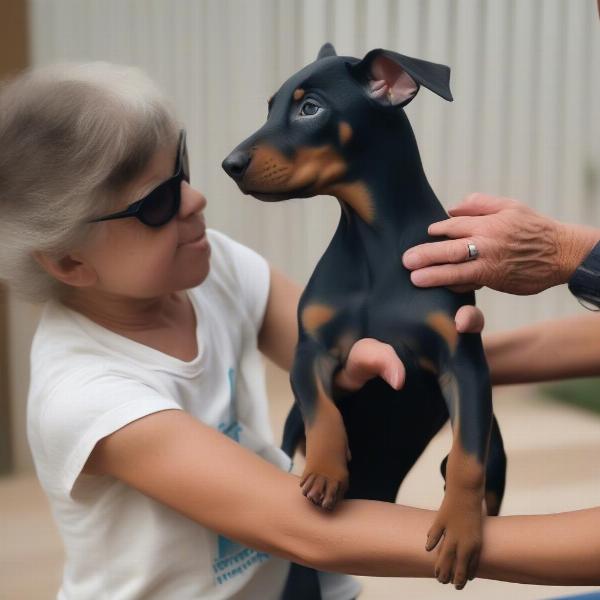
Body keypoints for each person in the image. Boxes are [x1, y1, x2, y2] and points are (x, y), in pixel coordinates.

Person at [1, 62, 598, 600]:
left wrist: (548, 274)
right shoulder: (85, 396)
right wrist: (517, 538)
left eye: (179, 169)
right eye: (155, 206)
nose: (195, 199)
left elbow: (356, 355)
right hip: (299, 552)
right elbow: (304, 530)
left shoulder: (211, 270)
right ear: (69, 262)